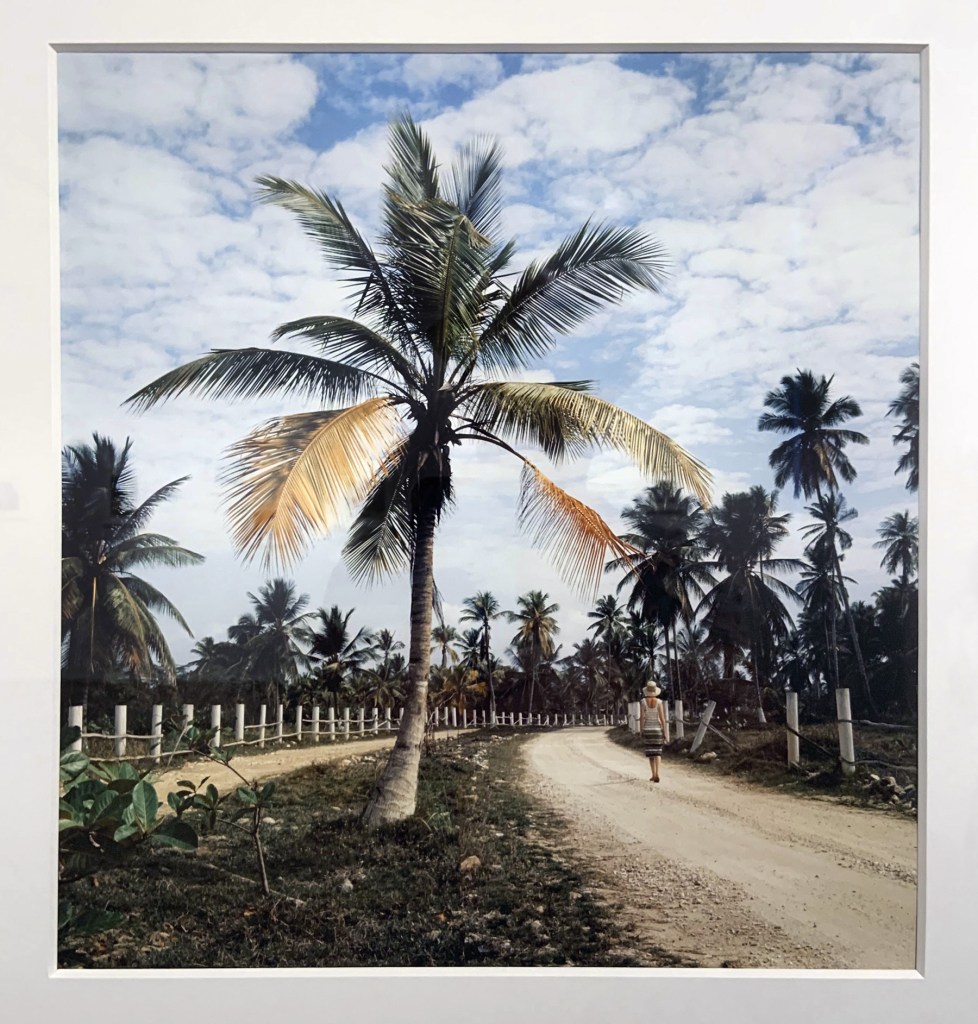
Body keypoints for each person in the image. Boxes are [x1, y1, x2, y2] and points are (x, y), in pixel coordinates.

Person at [639, 681, 669, 782]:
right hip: (657, 730)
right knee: (658, 753)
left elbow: (642, 718)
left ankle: (653, 774)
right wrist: (665, 733)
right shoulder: (659, 702)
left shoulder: (643, 702)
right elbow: (662, 719)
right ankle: (657, 773)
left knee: (650, 754)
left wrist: (641, 730)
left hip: (647, 730)